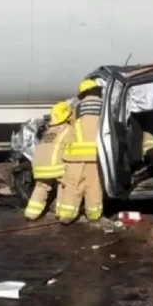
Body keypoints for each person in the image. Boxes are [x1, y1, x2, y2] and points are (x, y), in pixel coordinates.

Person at [57, 78, 104, 224]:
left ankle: (66, 215)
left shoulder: (76, 108)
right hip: (96, 155)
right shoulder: (106, 106)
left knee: (73, 186)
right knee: (94, 187)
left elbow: (69, 128)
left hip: (75, 156)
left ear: (82, 94)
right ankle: (93, 215)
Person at [24, 101, 75, 220]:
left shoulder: (49, 130)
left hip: (39, 166)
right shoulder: (69, 130)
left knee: (41, 187)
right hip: (54, 165)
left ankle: (31, 214)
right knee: (64, 185)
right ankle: (61, 213)